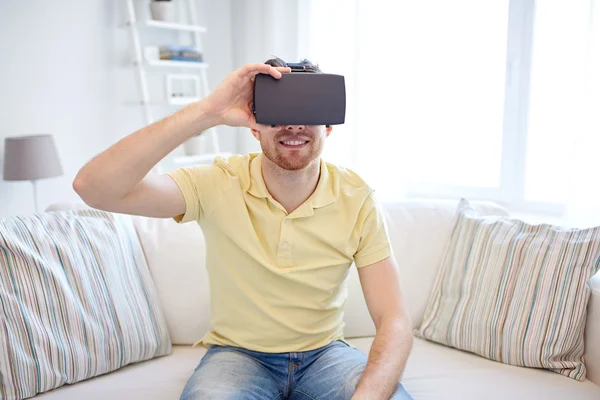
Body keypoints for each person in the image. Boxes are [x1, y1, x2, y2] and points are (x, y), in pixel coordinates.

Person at [73, 57, 413, 400]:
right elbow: (93, 187)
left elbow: (394, 318)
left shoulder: (356, 196)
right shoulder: (217, 182)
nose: (293, 126)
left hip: (325, 354)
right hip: (238, 356)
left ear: (328, 125)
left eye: (307, 108)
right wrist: (208, 111)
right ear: (254, 125)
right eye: (279, 110)